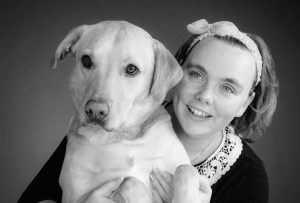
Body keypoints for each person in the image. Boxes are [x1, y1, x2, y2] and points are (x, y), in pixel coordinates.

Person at [18, 19, 279, 203]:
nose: (205, 96)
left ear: (246, 102)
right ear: (171, 75)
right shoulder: (95, 125)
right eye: (196, 74)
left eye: (228, 88)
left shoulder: (247, 176)